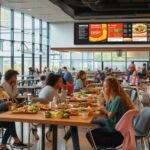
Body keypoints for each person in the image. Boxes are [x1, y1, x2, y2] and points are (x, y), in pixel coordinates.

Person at [86, 76, 134, 148]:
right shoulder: (113, 98)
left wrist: (102, 107)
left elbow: (109, 115)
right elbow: (106, 112)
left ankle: (101, 147)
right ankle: (100, 147)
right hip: (113, 127)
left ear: (111, 88)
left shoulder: (118, 99)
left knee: (89, 134)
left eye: (105, 86)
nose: (103, 88)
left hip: (116, 133)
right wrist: (104, 99)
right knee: (94, 122)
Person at [31, 73, 64, 141]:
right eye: (60, 81)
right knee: (62, 114)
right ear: (55, 82)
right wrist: (64, 91)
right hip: (44, 114)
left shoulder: (49, 87)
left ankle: (48, 132)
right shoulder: (51, 90)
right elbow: (60, 103)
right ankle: (50, 132)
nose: (62, 83)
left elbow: (59, 102)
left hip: (41, 112)